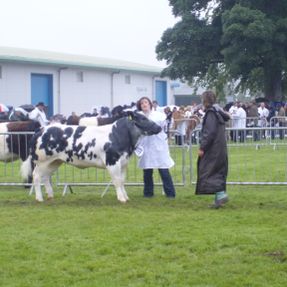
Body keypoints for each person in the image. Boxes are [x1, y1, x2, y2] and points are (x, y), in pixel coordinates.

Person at [196, 91, 230, 208]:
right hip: (220, 148)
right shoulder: (218, 112)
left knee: (209, 170)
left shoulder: (211, 114)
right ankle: (218, 201)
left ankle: (221, 195)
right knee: (217, 171)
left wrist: (202, 147)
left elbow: (209, 133)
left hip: (213, 148)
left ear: (205, 100)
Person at [136, 96, 176, 198]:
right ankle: (148, 193)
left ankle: (170, 193)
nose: (144, 105)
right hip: (145, 145)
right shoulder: (138, 116)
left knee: (163, 170)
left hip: (158, 145)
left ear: (150, 104)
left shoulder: (159, 115)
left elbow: (168, 124)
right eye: (142, 103)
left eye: (146, 102)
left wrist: (169, 119)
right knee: (147, 171)